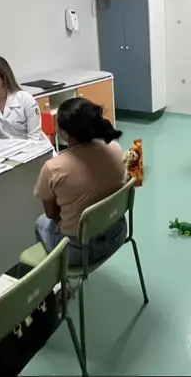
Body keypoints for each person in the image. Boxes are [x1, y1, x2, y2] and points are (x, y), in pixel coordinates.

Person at [33, 98, 128, 266]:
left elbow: (52, 214)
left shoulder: (53, 168)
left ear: (63, 133)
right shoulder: (115, 149)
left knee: (41, 222)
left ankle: (54, 277)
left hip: (80, 252)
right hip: (117, 235)